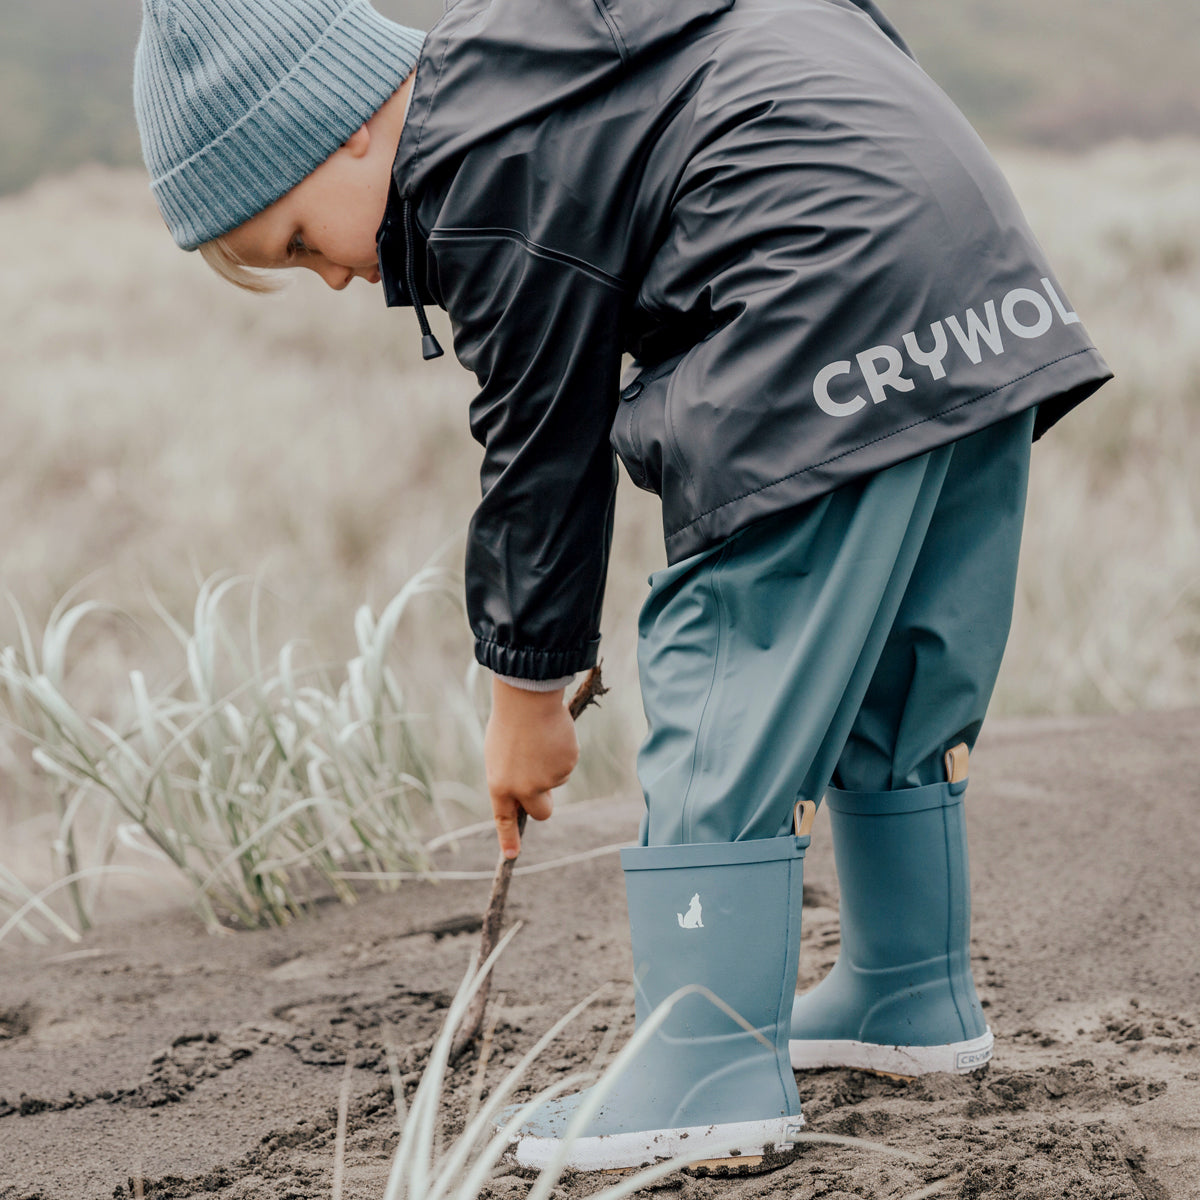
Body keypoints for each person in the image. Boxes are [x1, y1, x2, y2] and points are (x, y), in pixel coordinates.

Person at [134, 0, 1112, 1175]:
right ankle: (908, 990)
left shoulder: (469, 164)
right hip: (973, 275)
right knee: (898, 659)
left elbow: (543, 448)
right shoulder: (542, 65)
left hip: (818, 288)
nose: (334, 279)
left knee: (733, 650)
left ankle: (704, 1065)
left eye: (297, 241)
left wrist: (524, 697)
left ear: (340, 130)